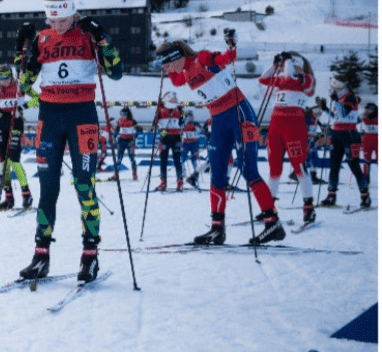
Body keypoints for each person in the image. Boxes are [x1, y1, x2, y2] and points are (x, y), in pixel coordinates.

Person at [16, 0, 123, 282]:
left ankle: (90, 255)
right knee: (47, 189)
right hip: (49, 118)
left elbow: (116, 71)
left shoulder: (87, 35)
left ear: (72, 13)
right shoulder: (43, 38)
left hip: (82, 117)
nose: (57, 25)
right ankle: (41, 255)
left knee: (84, 186)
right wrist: (21, 51)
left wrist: (103, 39)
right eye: (52, 20)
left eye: (62, 20)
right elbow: (23, 86)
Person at [156, 28, 284, 245]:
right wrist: (167, 65)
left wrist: (231, 45)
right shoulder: (184, 72)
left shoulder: (202, 58)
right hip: (218, 120)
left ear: (176, 57)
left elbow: (227, 58)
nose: (165, 68)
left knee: (247, 168)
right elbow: (176, 81)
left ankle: (273, 223)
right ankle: (217, 229)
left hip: (238, 112)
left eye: (166, 64)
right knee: (217, 172)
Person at [259, 51, 317, 226]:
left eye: (293, 65)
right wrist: (275, 65)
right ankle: (270, 208)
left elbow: (292, 76)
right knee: (274, 168)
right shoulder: (282, 80)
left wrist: (288, 62)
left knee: (299, 166)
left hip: (294, 126)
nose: (290, 68)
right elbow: (263, 79)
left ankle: (308, 207)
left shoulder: (306, 79)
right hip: (276, 126)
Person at [0, 64, 34, 210]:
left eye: (4, 79)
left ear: (10, 76)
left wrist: (23, 108)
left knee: (14, 159)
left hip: (15, 121)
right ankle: (8, 198)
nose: (2, 82)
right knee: (3, 162)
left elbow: (38, 98)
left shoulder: (20, 86)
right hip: (2, 121)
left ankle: (26, 194)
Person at [320, 75, 370, 209]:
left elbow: (343, 114)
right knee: (334, 165)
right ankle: (331, 196)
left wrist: (336, 100)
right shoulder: (340, 98)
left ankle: (365, 197)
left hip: (349, 134)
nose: (332, 87)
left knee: (354, 166)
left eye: (334, 85)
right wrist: (325, 108)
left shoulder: (349, 97)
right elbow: (336, 117)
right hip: (337, 134)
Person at [154, 93, 184, 191]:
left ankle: (180, 182)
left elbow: (181, 123)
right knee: (163, 161)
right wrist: (163, 133)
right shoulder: (161, 111)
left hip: (175, 137)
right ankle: (163, 182)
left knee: (177, 161)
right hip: (165, 138)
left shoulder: (178, 111)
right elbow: (155, 124)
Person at [113, 106, 139, 179]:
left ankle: (134, 174)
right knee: (119, 158)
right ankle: (116, 174)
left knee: (132, 158)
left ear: (127, 114)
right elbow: (117, 129)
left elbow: (139, 129)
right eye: (121, 114)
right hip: (121, 141)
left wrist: (136, 135)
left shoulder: (132, 121)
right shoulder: (119, 120)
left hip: (130, 141)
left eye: (123, 114)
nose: (122, 115)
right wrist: (115, 135)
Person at [180, 112, 203, 188]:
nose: (190, 118)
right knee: (182, 157)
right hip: (186, 143)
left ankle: (195, 174)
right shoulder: (184, 123)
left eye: (191, 116)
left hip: (194, 143)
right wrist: (184, 124)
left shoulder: (195, 123)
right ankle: (183, 172)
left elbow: (200, 131)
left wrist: (196, 127)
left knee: (194, 159)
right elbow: (180, 129)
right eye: (189, 116)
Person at [361, 102, 378, 181]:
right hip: (367, 138)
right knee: (367, 158)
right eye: (366, 109)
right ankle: (366, 176)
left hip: (377, 138)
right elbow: (355, 120)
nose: (367, 111)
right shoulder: (364, 117)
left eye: (369, 109)